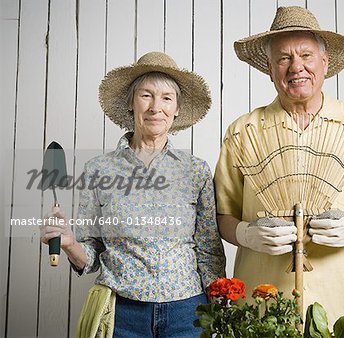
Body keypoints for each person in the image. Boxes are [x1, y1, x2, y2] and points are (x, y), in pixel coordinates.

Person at [214, 6, 344, 337]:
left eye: (306, 55)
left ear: (325, 62)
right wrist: (246, 234)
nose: (295, 66)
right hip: (265, 305)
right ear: (270, 69)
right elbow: (222, 216)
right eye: (283, 58)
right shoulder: (244, 132)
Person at [41, 51, 226, 337]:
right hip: (121, 314)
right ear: (131, 103)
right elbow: (91, 254)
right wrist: (68, 243)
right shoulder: (99, 169)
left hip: (187, 312)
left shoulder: (196, 171)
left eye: (166, 98)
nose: (156, 107)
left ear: (176, 108)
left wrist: (219, 308)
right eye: (146, 95)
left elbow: (209, 250)